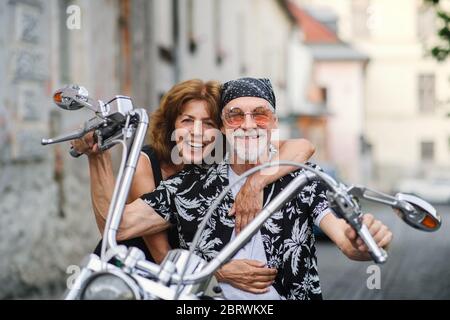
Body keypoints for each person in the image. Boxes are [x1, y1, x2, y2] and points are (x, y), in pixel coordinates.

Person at [88, 77, 393, 300]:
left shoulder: (299, 178)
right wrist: (98, 156)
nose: (248, 124)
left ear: (273, 123)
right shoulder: (192, 185)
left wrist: (362, 241)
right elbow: (119, 225)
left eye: (259, 114)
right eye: (235, 116)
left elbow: (344, 237)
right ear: (222, 127)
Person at [72, 78, 316, 292]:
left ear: (221, 128)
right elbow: (161, 254)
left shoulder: (220, 160)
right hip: (138, 273)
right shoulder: (147, 163)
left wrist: (255, 182)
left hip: (186, 279)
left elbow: (302, 146)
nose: (197, 132)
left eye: (208, 123)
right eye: (187, 120)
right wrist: (219, 271)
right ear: (172, 126)